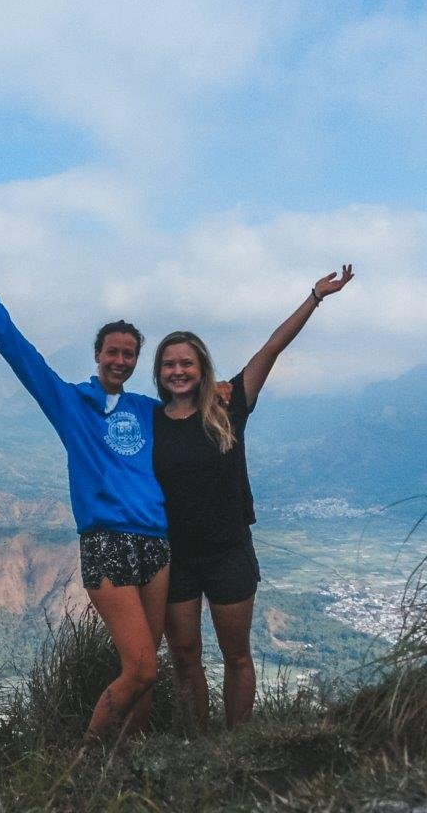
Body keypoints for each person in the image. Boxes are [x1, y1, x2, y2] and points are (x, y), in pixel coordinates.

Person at [0, 242, 169, 741]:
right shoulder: (71, 404)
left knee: (147, 671)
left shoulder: (148, 410)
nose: (119, 359)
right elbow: (23, 358)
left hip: (156, 546)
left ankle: (134, 761)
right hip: (107, 543)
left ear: (137, 361)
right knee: (141, 668)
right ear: (98, 355)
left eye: (128, 354)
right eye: (112, 351)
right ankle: (85, 764)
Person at [153, 265, 354, 730]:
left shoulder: (230, 404)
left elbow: (273, 347)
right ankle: (198, 744)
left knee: (237, 655)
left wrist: (315, 296)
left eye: (186, 363)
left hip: (229, 552)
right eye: (169, 364)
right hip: (176, 557)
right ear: (159, 373)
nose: (178, 371)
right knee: (185, 657)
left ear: (202, 367)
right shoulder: (151, 419)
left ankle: (236, 744)